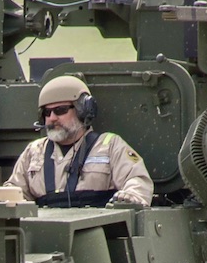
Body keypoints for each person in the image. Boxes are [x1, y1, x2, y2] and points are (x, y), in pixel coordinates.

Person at [8, 75, 152, 207]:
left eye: (60, 110)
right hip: (43, 230)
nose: (52, 118)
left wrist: (130, 196)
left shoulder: (109, 145)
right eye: (47, 112)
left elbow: (137, 180)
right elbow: (14, 192)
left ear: (82, 110)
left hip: (99, 228)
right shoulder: (34, 151)